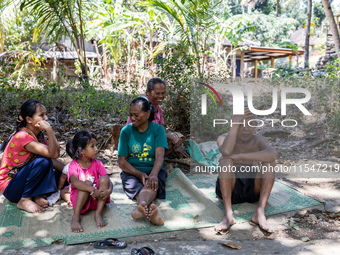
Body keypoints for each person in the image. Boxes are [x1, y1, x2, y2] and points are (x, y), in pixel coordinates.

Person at [215, 108, 277, 233]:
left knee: (269, 164)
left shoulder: (258, 140)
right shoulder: (223, 138)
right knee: (225, 160)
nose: (246, 129)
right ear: (235, 125)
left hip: (253, 188)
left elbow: (272, 155)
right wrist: (235, 122)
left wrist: (239, 157)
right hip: (231, 187)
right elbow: (226, 151)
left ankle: (260, 212)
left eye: (250, 124)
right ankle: (228, 214)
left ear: (254, 125)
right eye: (241, 125)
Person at [0, 99, 62, 213]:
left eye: (46, 115)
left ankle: (37, 195)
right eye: (41, 115)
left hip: (24, 181)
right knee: (43, 162)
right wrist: (49, 129)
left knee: (64, 176)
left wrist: (73, 171)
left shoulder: (38, 135)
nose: (46, 119)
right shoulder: (22, 136)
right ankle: (25, 200)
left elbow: (54, 158)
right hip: (11, 188)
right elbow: (53, 154)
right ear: (29, 119)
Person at [118, 97, 168, 226]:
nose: (132, 118)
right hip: (132, 171)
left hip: (154, 169)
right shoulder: (126, 131)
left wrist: (153, 174)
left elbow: (160, 156)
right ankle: (150, 210)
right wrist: (139, 174)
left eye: (136, 115)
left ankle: (141, 207)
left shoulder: (158, 130)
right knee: (136, 185)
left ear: (147, 114)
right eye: (130, 115)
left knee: (151, 183)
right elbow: (122, 162)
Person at [127, 78, 189, 158]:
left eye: (163, 93)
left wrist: (173, 146)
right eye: (157, 93)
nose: (160, 96)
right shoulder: (142, 107)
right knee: (168, 140)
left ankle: (157, 157)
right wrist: (170, 137)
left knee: (178, 137)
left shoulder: (158, 107)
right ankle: (150, 160)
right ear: (148, 92)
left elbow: (162, 128)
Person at [66, 130, 113, 233]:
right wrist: (91, 189)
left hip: (97, 198)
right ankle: (76, 216)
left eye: (96, 145)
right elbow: (74, 182)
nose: (96, 149)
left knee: (104, 179)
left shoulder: (98, 163)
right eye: (92, 146)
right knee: (86, 183)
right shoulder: (73, 165)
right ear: (81, 150)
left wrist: (109, 191)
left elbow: (108, 180)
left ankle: (98, 213)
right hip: (81, 200)